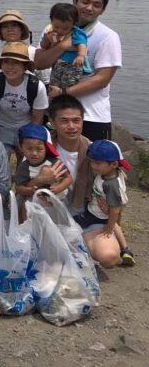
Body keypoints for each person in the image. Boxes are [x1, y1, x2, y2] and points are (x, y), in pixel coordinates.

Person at [34, 0, 121, 141]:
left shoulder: (108, 37)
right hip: (56, 113)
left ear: (102, 10)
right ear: (75, 2)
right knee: (55, 164)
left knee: (92, 165)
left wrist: (64, 93)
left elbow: (102, 79)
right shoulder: (54, 29)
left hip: (91, 116)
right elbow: (39, 62)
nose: (89, 8)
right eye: (85, 2)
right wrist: (62, 47)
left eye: (96, 5)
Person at [43, 95, 123, 268]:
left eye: (76, 120)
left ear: (82, 121)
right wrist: (40, 179)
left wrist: (108, 205)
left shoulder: (95, 150)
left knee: (109, 257)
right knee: (50, 257)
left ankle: (76, 244)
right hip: (52, 213)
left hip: (85, 213)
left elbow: (117, 182)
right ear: (52, 122)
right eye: (64, 121)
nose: (71, 126)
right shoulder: (41, 149)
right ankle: (69, 247)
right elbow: (23, 184)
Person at [0, 41, 48, 154]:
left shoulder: (37, 86)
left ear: (25, 66)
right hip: (0, 125)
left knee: (27, 159)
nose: (10, 67)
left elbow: (37, 118)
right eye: (6, 62)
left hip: (27, 125)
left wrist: (28, 138)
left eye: (16, 63)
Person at [73, 140, 134, 266]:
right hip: (101, 211)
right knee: (112, 220)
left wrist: (108, 228)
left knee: (76, 229)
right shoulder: (108, 174)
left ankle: (119, 249)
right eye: (91, 162)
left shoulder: (110, 185)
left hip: (98, 215)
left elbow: (115, 210)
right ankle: (125, 248)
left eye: (98, 163)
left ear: (113, 164)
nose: (93, 166)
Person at [14, 123, 72, 222]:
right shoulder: (23, 167)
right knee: (25, 205)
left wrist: (59, 188)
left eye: (39, 149)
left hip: (58, 198)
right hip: (37, 198)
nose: (34, 153)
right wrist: (30, 190)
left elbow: (69, 178)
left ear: (46, 148)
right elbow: (19, 188)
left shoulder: (54, 162)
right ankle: (26, 229)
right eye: (29, 149)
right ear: (21, 148)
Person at [0, 9, 50, 84]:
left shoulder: (34, 52)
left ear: (21, 30)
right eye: (5, 26)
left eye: (14, 25)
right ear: (0, 31)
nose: (10, 29)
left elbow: (46, 82)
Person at [41, 2, 92, 90]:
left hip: (72, 65)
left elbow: (82, 44)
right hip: (57, 64)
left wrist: (81, 55)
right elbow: (44, 46)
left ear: (74, 24)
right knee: (53, 84)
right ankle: (54, 98)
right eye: (56, 27)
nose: (60, 31)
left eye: (65, 29)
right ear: (51, 20)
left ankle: (65, 95)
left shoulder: (76, 32)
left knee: (68, 84)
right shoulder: (51, 32)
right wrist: (46, 39)